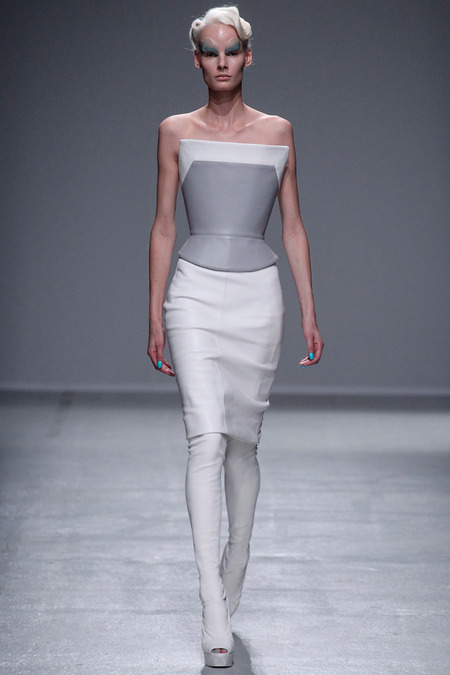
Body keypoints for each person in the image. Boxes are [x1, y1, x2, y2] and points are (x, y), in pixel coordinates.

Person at [147, 5, 323, 668]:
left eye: (231, 51)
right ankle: (211, 606)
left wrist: (308, 310)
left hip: (258, 298)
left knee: (243, 443)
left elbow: (294, 225)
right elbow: (164, 224)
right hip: (192, 291)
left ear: (248, 56)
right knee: (206, 438)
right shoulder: (174, 130)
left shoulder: (279, 131)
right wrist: (154, 311)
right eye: (209, 51)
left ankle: (236, 559)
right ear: (196, 60)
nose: (220, 61)